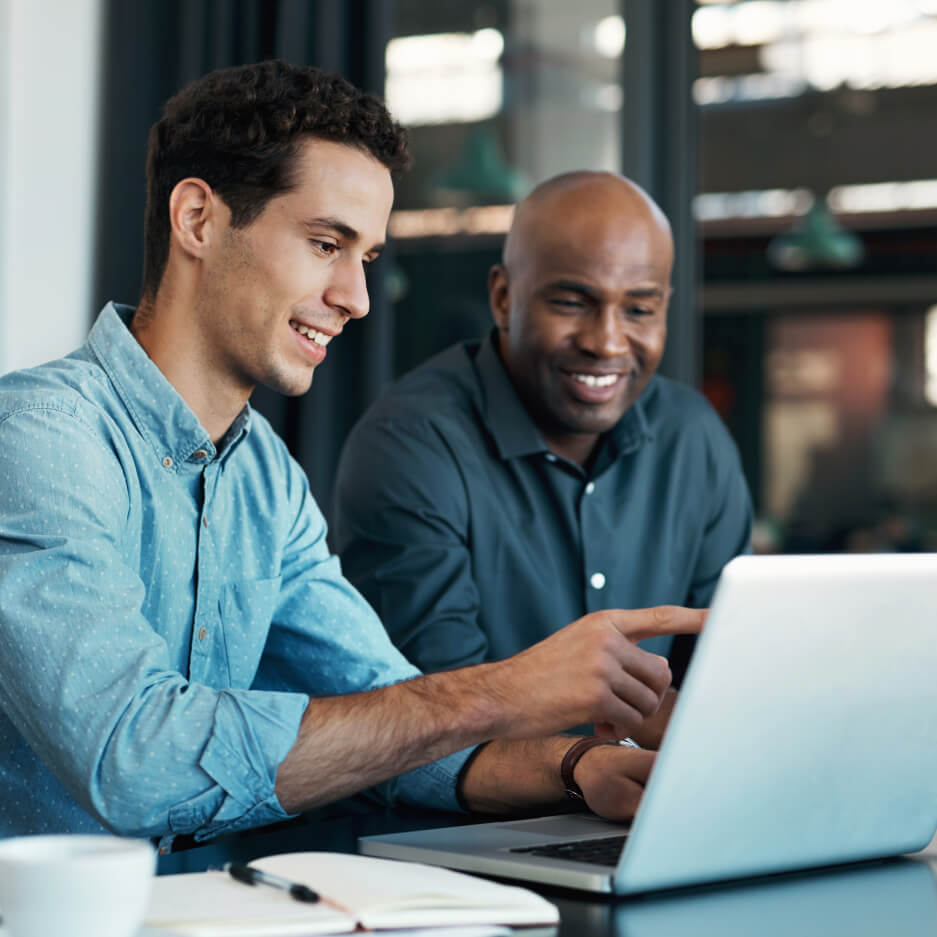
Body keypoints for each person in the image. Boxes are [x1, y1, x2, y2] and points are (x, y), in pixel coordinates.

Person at [0, 61, 704, 847]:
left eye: (364, 257)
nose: (356, 297)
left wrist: (578, 764)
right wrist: (505, 691)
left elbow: (390, 722)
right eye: (325, 243)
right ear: (197, 218)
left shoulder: (266, 477)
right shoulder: (39, 438)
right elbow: (135, 760)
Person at [333, 171, 752, 745]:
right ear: (504, 298)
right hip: (456, 828)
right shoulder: (411, 444)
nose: (606, 342)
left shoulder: (693, 437)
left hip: (647, 807)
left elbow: (731, 674)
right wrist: (597, 767)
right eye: (573, 302)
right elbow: (436, 716)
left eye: (639, 310)